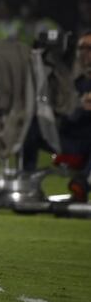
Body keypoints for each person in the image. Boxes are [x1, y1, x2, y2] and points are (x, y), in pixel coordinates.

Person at [61, 31, 91, 201]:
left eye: (89, 48)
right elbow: (62, 118)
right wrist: (79, 107)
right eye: (81, 48)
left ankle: (82, 184)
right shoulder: (70, 84)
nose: (85, 53)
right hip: (70, 144)